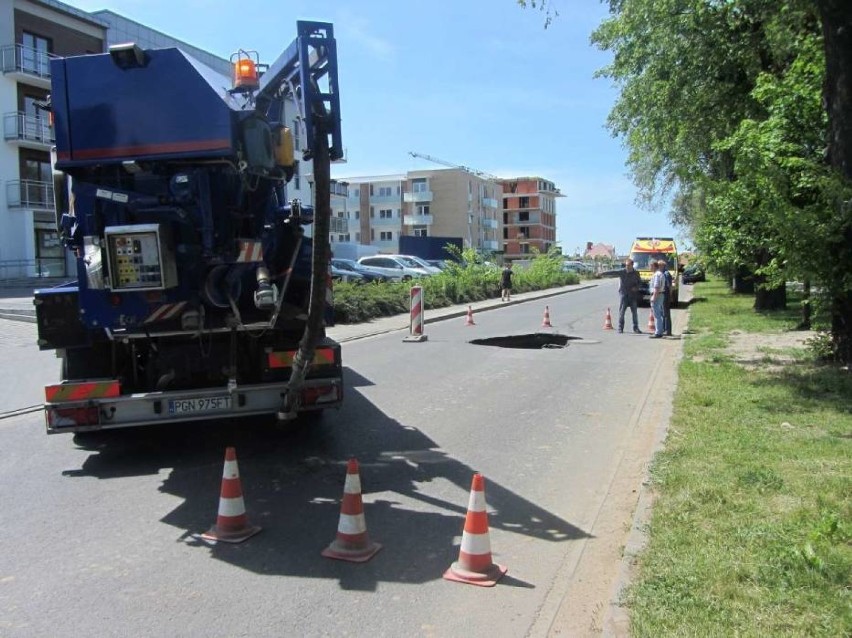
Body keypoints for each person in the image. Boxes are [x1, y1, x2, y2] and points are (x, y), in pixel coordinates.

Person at [617, 258, 642, 333]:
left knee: (634, 313)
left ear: (632, 265)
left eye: (628, 265)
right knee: (621, 312)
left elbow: (640, 283)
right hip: (624, 295)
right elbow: (611, 272)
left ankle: (636, 328)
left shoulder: (636, 273)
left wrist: (636, 288)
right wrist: (601, 273)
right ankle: (620, 328)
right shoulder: (622, 272)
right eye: (626, 265)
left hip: (632, 296)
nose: (626, 267)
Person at [649, 260, 665, 338]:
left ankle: (658, 332)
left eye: (651, 266)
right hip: (660, 295)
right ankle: (660, 330)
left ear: (655, 266)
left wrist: (653, 297)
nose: (650, 267)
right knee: (659, 314)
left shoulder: (657, 275)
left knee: (657, 315)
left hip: (657, 295)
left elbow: (657, 287)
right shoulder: (660, 274)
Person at [660, 260, 674, 336]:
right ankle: (664, 329)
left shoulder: (666, 274)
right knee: (663, 313)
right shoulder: (663, 273)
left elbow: (670, 286)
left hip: (666, 295)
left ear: (662, 266)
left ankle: (668, 330)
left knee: (666, 313)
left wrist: (670, 296)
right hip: (663, 295)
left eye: (659, 266)